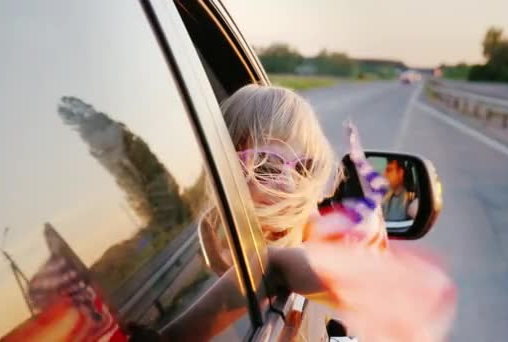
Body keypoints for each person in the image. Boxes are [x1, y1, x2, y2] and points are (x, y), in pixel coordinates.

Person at [158, 85, 455, 342]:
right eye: (266, 165)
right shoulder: (207, 238)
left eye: (304, 168)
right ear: (222, 170)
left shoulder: (304, 231)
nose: (289, 183)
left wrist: (285, 259)